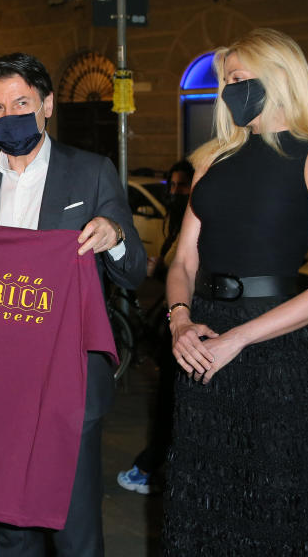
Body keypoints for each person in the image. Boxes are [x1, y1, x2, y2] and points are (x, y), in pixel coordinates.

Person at [0, 52, 146, 557]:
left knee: (74, 527)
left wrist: (115, 235)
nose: (8, 115)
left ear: (47, 105)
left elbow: (134, 271)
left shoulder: (92, 172)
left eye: (20, 102)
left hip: (69, 381)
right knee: (10, 527)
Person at [164, 28, 308, 554]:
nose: (230, 89)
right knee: (205, 495)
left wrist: (238, 339)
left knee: (277, 501)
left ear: (281, 77)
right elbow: (182, 260)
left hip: (274, 346)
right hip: (201, 336)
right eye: (226, 80)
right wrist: (180, 320)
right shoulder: (210, 162)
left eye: (240, 78)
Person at [116, 159, 194, 495]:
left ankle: (151, 466)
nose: (176, 192)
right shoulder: (176, 222)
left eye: (182, 186)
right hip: (174, 319)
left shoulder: (196, 219)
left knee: (173, 403)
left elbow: (189, 269)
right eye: (172, 186)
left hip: (185, 324)